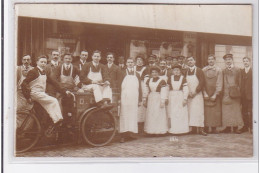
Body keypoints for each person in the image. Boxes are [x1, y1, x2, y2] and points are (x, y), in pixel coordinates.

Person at [21, 55, 69, 130]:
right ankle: (57, 120)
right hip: (35, 93)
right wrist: (28, 97)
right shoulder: (33, 71)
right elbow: (24, 83)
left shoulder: (44, 72)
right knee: (53, 101)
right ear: (37, 62)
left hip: (40, 94)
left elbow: (54, 82)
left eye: (45, 62)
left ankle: (42, 130)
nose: (43, 64)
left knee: (42, 112)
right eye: (41, 62)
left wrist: (64, 91)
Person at [52, 53, 82, 122]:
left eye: (69, 58)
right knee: (60, 107)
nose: (68, 60)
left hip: (71, 91)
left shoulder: (74, 68)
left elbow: (82, 77)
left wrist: (78, 86)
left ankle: (70, 123)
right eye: (66, 58)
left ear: (72, 59)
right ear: (63, 59)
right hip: (61, 91)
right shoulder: (59, 67)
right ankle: (60, 123)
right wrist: (62, 89)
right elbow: (54, 80)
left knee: (72, 108)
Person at [119, 58, 142, 143]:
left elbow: (140, 88)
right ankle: (123, 136)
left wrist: (140, 99)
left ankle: (131, 134)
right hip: (125, 97)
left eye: (131, 62)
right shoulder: (122, 72)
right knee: (124, 115)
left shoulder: (137, 74)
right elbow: (119, 85)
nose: (130, 64)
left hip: (134, 98)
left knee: (132, 115)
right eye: (128, 62)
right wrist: (119, 98)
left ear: (134, 63)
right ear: (126, 63)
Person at [221, 54, 243, 134]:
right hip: (226, 93)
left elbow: (240, 81)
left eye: (229, 59)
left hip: (235, 93)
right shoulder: (223, 70)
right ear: (225, 61)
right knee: (226, 110)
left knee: (236, 110)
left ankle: (237, 127)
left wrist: (238, 91)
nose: (228, 61)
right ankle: (227, 126)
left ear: (232, 60)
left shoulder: (237, 70)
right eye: (226, 60)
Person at [186, 56, 207, 136]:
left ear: (194, 61)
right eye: (188, 61)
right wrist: (188, 92)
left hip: (197, 95)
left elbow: (202, 82)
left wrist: (196, 91)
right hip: (189, 95)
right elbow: (185, 82)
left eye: (191, 60)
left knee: (198, 111)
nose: (190, 62)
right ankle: (193, 129)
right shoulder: (186, 71)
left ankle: (201, 129)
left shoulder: (199, 70)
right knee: (190, 112)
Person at [143, 66, 168, 135]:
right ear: (151, 73)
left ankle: (159, 130)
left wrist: (162, 101)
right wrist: (144, 99)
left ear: (158, 73)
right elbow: (146, 90)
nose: (154, 74)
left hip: (158, 98)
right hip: (151, 98)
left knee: (158, 113)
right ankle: (151, 130)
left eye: (156, 72)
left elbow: (163, 91)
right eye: (153, 72)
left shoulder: (162, 81)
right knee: (151, 113)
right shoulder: (149, 80)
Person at [202, 54, 223, 134]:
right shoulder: (204, 70)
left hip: (215, 94)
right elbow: (202, 82)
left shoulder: (219, 70)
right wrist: (204, 93)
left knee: (215, 111)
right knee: (207, 111)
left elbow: (219, 82)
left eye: (212, 59)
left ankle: (214, 127)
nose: (210, 61)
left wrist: (216, 94)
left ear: (215, 60)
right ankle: (206, 127)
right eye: (209, 59)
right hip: (206, 93)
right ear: (207, 61)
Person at [167, 65, 189, 134]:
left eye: (178, 70)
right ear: (172, 71)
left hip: (180, 96)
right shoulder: (170, 78)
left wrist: (185, 99)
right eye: (175, 70)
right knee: (172, 112)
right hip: (172, 96)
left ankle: (181, 129)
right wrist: (166, 97)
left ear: (180, 71)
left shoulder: (183, 78)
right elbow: (166, 89)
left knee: (180, 112)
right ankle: (172, 129)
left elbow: (186, 89)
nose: (176, 72)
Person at [134, 55, 147, 134]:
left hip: (142, 85)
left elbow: (146, 80)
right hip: (135, 86)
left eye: (141, 60)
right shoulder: (134, 68)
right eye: (138, 60)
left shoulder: (145, 69)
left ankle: (141, 126)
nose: (139, 61)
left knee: (141, 107)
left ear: (143, 61)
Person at [240, 57, 253, 133]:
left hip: (251, 94)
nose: (245, 62)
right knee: (243, 111)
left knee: (251, 111)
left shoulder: (254, 71)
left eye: (247, 61)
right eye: (244, 61)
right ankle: (245, 126)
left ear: (250, 62)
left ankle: (251, 127)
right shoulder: (241, 71)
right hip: (243, 95)